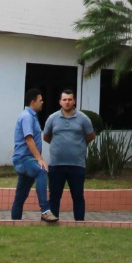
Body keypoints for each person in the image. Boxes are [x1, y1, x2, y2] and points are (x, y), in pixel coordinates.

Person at [41, 89, 95, 222]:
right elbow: (46, 137)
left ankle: (79, 223)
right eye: (64, 100)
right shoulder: (52, 118)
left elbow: (90, 136)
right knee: (54, 196)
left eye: (70, 99)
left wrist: (78, 145)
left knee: (78, 196)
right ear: (60, 102)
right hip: (56, 165)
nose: (67, 102)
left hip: (77, 165)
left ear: (74, 101)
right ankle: (52, 221)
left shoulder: (83, 118)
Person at [10, 89, 56, 222]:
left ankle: (14, 224)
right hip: (23, 160)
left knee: (20, 197)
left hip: (27, 160)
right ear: (32, 102)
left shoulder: (32, 116)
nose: (42, 102)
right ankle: (45, 211)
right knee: (41, 171)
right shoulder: (27, 117)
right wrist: (40, 160)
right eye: (40, 100)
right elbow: (29, 139)